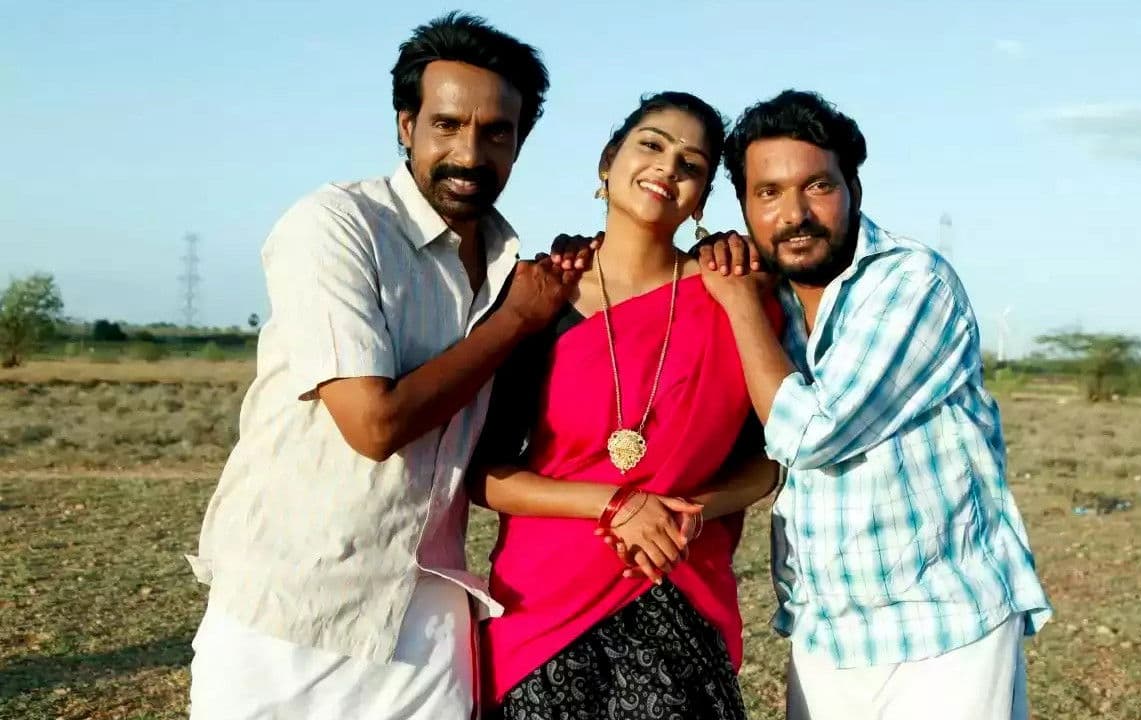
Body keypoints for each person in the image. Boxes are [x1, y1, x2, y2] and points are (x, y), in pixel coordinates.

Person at [184, 13, 581, 719]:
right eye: (447, 125)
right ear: (406, 125)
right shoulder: (336, 226)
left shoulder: (510, 267)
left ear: (520, 142)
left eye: (497, 132)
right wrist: (516, 322)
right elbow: (372, 425)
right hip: (290, 606)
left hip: (425, 615)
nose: (469, 153)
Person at [696, 91, 1053, 720]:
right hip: (826, 632)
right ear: (744, 207)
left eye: (817, 186)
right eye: (768, 193)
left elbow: (810, 434)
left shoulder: (912, 281)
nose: (794, 214)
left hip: (944, 627)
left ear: (853, 188)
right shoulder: (770, 296)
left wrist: (741, 303)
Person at [469, 91, 781, 720]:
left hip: (676, 590)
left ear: (701, 199)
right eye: (652, 145)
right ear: (608, 162)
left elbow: (769, 459)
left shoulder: (734, 297)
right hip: (543, 609)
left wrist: (689, 513)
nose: (668, 167)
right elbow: (484, 474)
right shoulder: (539, 294)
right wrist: (615, 505)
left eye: (691, 164)